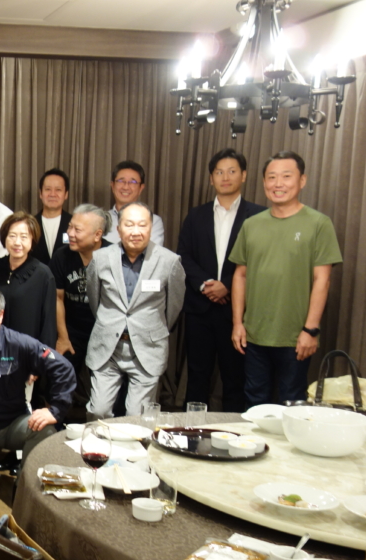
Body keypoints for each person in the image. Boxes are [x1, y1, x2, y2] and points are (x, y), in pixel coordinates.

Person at [229, 150, 342, 406]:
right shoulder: (251, 224)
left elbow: (322, 280)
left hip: (296, 336)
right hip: (254, 334)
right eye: (271, 177)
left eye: (286, 176)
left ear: (302, 180)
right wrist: (237, 323)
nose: (278, 184)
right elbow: (240, 275)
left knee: (292, 403)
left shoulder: (318, 223)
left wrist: (310, 330)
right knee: (254, 402)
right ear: (264, 182)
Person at [0, 284, 76, 493]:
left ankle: (24, 485)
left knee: (45, 430)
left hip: (15, 423)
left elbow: (63, 368)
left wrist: (55, 410)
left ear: (0, 315)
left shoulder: (19, 343)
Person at [177, 149, 266, 412]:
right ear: (211, 178)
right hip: (199, 308)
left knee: (235, 378)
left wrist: (227, 284)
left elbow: (259, 260)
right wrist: (205, 284)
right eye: (219, 172)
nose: (225, 177)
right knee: (197, 376)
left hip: (238, 311)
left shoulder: (258, 216)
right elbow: (183, 255)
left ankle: (233, 433)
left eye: (232, 171)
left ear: (244, 175)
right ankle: (192, 431)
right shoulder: (196, 215)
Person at [86, 202, 185, 419]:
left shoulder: (169, 261)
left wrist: (152, 328)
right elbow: (95, 300)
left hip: (147, 348)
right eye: (129, 225)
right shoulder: (100, 258)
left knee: (136, 417)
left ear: (151, 227)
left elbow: (174, 308)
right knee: (98, 411)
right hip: (108, 347)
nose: (136, 231)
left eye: (142, 225)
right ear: (118, 229)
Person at [50, 204, 111, 419]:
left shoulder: (113, 256)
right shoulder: (62, 256)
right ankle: (55, 424)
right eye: (70, 227)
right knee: (58, 373)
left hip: (104, 330)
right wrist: (63, 337)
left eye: (77, 230)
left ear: (97, 235)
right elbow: (57, 298)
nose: (70, 234)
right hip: (72, 329)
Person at [0, 211, 57, 348]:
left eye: (24, 237)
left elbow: (49, 324)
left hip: (28, 349)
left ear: (32, 240)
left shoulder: (43, 274)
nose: (17, 242)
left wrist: (44, 356)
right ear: (4, 238)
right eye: (12, 236)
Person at [104, 161, 165, 248]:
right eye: (121, 181)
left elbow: (152, 253)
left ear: (141, 188)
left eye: (132, 182)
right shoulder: (100, 219)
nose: (126, 187)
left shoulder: (153, 221)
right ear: (112, 185)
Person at [30, 168, 73, 265]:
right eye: (48, 189)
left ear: (66, 194)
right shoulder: (29, 224)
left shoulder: (75, 224)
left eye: (58, 190)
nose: (52, 194)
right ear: (40, 193)